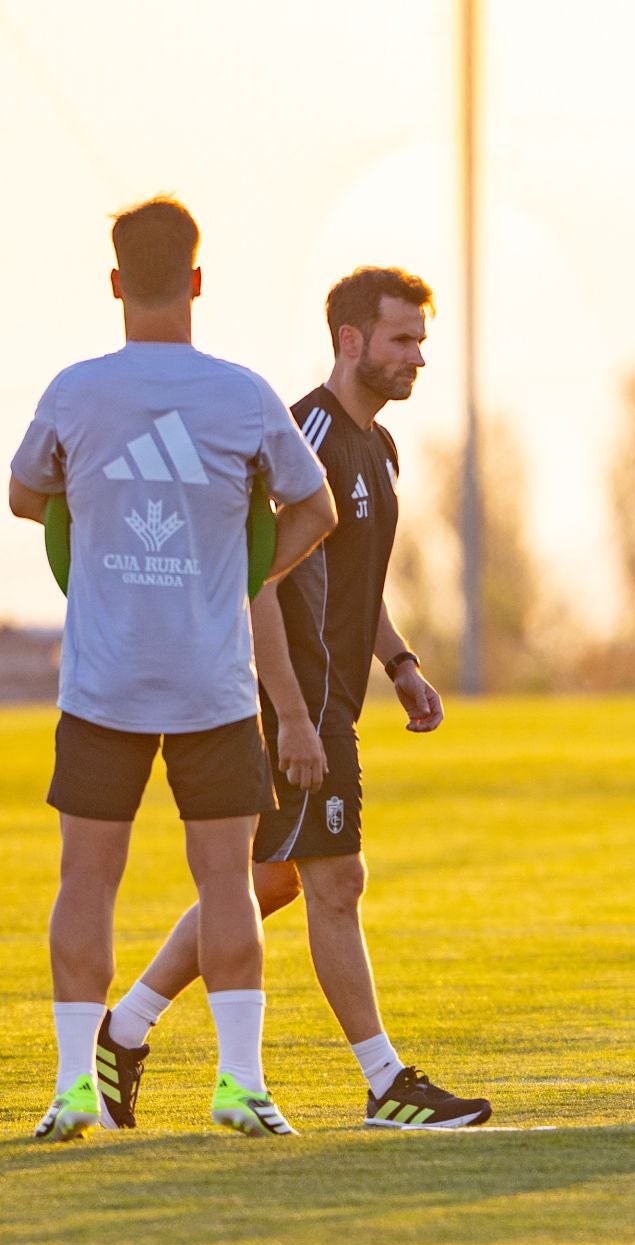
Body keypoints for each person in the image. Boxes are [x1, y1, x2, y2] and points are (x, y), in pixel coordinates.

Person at [93, 267, 491, 1131]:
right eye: (402, 339)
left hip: (328, 699)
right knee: (337, 882)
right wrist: (297, 718)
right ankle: (385, 1084)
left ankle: (122, 1029)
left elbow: (355, 582)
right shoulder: (307, 436)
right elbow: (258, 579)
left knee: (270, 881)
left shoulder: (380, 449)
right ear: (351, 340)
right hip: (294, 699)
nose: (418, 357)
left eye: (421, 341)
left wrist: (400, 662)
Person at [9, 196, 337, 1140]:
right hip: (212, 682)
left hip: (102, 682)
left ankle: (75, 1088)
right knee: (226, 882)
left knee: (86, 880)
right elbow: (316, 512)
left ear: (116, 282)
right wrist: (242, 576)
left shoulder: (76, 391)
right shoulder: (242, 395)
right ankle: (241, 1085)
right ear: (196, 280)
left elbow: (26, 496)